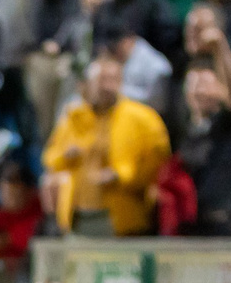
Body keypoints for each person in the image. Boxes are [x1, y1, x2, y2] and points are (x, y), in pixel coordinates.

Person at [41, 57, 170, 237]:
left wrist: (120, 176)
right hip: (77, 214)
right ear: (88, 83)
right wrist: (65, 155)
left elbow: (159, 162)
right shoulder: (74, 116)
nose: (106, 86)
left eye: (112, 80)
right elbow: (50, 158)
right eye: (101, 80)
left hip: (123, 215)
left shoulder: (142, 118)